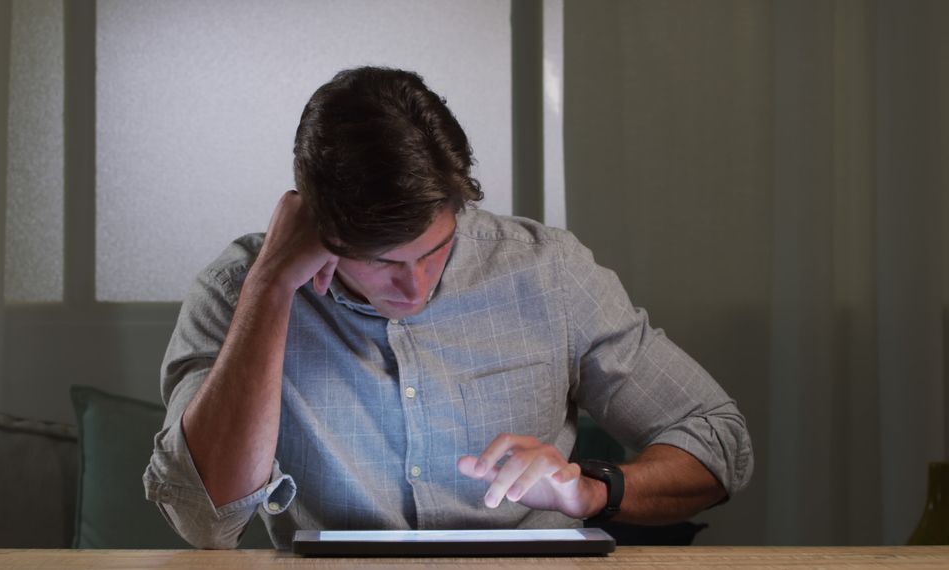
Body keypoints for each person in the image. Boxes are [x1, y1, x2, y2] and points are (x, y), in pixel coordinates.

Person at [143, 66, 753, 550]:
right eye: (381, 261)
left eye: (435, 250)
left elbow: (719, 443)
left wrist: (591, 491)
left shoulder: (547, 271)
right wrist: (271, 289)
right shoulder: (236, 291)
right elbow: (203, 523)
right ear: (317, 227)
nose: (415, 288)